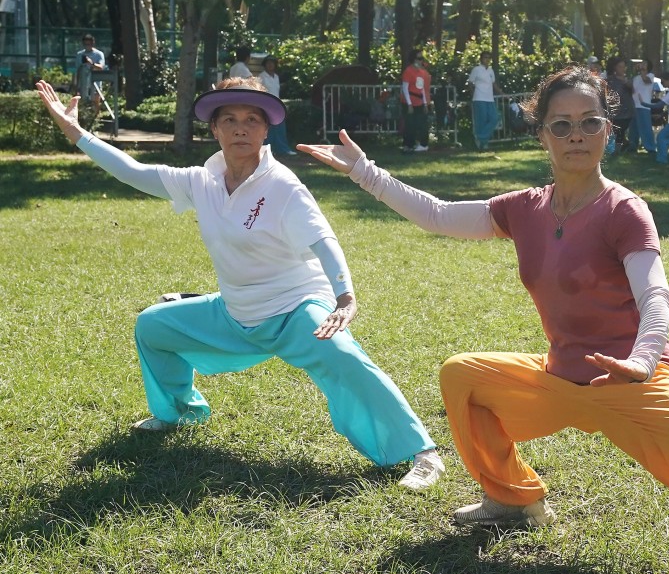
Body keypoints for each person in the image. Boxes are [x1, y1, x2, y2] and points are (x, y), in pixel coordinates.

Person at [298, 65, 669, 574]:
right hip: (560, 376)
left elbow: (655, 295)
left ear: (609, 132)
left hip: (633, 379)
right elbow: (439, 215)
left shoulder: (626, 210)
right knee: (463, 375)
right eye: (562, 124)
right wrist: (364, 172)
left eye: (590, 122)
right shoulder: (524, 208)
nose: (577, 134)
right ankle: (515, 499)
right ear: (542, 134)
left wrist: (645, 358)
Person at [33, 76, 446, 492]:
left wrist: (344, 296)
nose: (240, 128)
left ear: (267, 130)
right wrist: (76, 132)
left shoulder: (284, 186)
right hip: (235, 313)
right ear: (214, 130)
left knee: (343, 356)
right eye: (228, 119)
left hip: (295, 308)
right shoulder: (201, 180)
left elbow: (325, 241)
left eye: (252, 119)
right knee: (153, 326)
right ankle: (180, 411)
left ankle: (421, 452)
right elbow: (132, 171)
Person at [258, 56, 296, 156]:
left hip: (277, 105)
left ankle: (283, 149)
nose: (270, 65)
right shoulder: (261, 77)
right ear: (264, 65)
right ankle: (267, 150)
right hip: (265, 106)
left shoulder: (276, 77)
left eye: (272, 63)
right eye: (268, 63)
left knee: (280, 128)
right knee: (267, 130)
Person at [467, 51, 502, 151]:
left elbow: (494, 85)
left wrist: (502, 93)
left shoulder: (491, 71)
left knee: (494, 118)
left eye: (488, 58)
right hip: (479, 98)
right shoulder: (476, 69)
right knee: (481, 121)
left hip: (489, 99)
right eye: (485, 57)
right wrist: (473, 93)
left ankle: (480, 138)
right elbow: (470, 83)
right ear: (481, 59)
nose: (487, 59)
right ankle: (483, 143)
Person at [401, 49, 432, 153]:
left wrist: (424, 103)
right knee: (410, 124)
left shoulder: (422, 72)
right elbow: (405, 88)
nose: (421, 61)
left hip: (419, 101)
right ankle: (408, 144)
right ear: (414, 59)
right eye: (419, 58)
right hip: (410, 100)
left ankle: (423, 144)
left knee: (422, 123)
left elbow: (422, 88)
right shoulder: (408, 71)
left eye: (421, 58)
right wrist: (409, 104)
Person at [605, 56, 634, 155]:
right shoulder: (610, 80)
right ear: (615, 68)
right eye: (620, 67)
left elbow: (634, 91)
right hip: (615, 111)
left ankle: (618, 150)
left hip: (626, 111)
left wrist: (627, 83)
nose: (622, 69)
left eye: (623, 66)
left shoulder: (628, 81)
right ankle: (619, 148)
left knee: (620, 131)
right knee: (616, 131)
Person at [631, 59, 658, 153]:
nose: (642, 65)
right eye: (642, 63)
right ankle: (633, 146)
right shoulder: (636, 78)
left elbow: (647, 81)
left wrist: (642, 71)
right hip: (634, 105)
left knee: (645, 127)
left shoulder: (651, 76)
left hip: (644, 106)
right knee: (634, 128)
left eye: (645, 64)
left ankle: (650, 148)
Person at [75, 34, 106, 113]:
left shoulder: (99, 54)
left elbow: (101, 67)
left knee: (95, 103)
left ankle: (96, 119)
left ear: (93, 44)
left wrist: (91, 64)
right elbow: (78, 70)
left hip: (96, 84)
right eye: (85, 44)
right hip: (83, 84)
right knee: (83, 103)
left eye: (88, 44)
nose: (87, 46)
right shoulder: (80, 54)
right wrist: (76, 86)